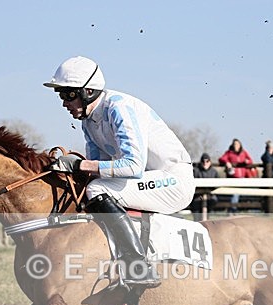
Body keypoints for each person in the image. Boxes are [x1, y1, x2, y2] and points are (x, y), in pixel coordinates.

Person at [44, 56, 194, 288]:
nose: (64, 103)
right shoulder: (89, 121)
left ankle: (138, 267)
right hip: (147, 181)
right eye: (61, 95)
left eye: (68, 94)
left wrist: (80, 165)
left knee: (97, 188)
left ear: (88, 92)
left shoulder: (118, 107)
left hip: (173, 181)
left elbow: (133, 166)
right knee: (87, 188)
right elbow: (98, 167)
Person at [218, 138, 257, 213]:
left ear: (240, 145)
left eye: (237, 144)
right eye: (235, 144)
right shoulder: (229, 152)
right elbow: (221, 159)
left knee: (244, 194)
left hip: (243, 177)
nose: (236, 146)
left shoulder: (244, 153)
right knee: (235, 194)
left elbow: (250, 160)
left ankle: (240, 210)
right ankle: (233, 210)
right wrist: (227, 162)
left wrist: (247, 161)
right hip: (233, 178)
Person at [188, 153, 219, 221]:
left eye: (207, 161)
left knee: (213, 200)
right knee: (195, 204)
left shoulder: (214, 172)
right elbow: (192, 183)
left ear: (210, 162)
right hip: (198, 195)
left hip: (210, 194)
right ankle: (196, 221)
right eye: (203, 161)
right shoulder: (196, 171)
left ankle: (207, 220)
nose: (205, 163)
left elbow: (217, 185)